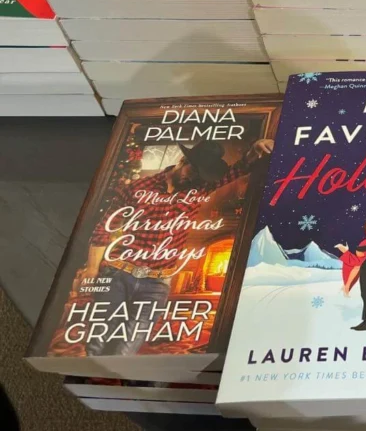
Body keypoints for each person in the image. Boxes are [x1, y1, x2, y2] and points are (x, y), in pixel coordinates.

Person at [82, 137, 274, 356]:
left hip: (157, 283)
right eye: (194, 170)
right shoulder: (138, 187)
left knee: (125, 350)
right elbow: (104, 228)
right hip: (118, 273)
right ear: (183, 160)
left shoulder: (201, 186)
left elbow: (239, 169)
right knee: (97, 343)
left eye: (203, 174)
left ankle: (106, 384)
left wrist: (255, 149)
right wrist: (92, 269)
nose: (195, 177)